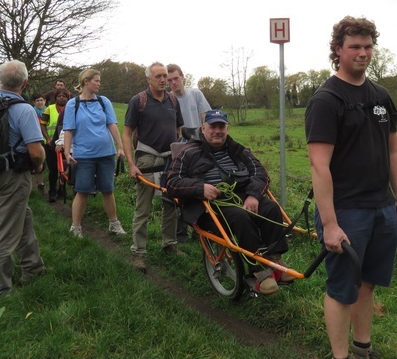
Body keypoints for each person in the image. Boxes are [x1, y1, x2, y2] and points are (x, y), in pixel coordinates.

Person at [304, 16, 397, 359]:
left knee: (367, 283)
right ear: (337, 51)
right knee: (342, 289)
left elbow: (393, 150)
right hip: (346, 211)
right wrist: (331, 223)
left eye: (368, 46)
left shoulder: (381, 95)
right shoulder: (326, 100)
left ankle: (362, 349)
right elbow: (318, 165)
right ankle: (340, 356)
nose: (363, 53)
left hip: (381, 207)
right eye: (354, 47)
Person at [166, 109, 292, 295]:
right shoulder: (188, 152)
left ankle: (274, 259)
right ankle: (259, 271)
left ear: (227, 128)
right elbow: (172, 183)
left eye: (221, 126)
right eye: (213, 126)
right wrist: (201, 188)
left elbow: (260, 172)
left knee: (271, 207)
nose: (217, 131)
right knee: (240, 216)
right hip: (208, 208)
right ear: (203, 128)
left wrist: (253, 195)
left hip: (241, 196)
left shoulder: (238, 150)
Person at [0, 60, 46, 298]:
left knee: (22, 216)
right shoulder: (24, 109)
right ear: (25, 82)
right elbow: (36, 151)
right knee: (7, 231)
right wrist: (37, 167)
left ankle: (33, 267)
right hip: (13, 175)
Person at [122, 62, 183, 272]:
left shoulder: (173, 100)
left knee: (170, 203)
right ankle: (138, 252)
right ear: (148, 79)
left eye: (165, 75)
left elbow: (179, 128)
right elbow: (127, 133)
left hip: (170, 159)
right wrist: (131, 164)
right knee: (143, 207)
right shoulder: (139, 101)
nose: (163, 80)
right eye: (158, 76)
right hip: (146, 158)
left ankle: (169, 244)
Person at [62, 69, 126, 238]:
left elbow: (112, 125)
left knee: (107, 189)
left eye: (99, 81)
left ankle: (114, 224)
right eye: (96, 81)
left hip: (106, 153)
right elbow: (68, 129)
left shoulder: (104, 102)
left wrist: (120, 147)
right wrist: (67, 152)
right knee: (82, 191)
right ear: (85, 81)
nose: (99, 83)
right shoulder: (72, 104)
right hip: (83, 155)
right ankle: (75, 228)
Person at [166, 63, 211, 242]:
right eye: (169, 80)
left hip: (198, 147)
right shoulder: (168, 99)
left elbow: (205, 118)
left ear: (183, 76)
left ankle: (199, 230)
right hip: (179, 149)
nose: (173, 83)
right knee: (182, 187)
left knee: (200, 186)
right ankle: (181, 232)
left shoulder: (195, 94)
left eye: (176, 78)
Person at [40, 88, 69, 202]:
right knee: (53, 170)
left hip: (65, 145)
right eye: (59, 96)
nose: (61, 98)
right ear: (55, 98)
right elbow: (43, 125)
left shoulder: (70, 109)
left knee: (65, 169)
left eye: (64, 96)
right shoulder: (49, 109)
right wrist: (48, 138)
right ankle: (52, 191)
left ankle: (62, 190)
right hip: (51, 144)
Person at [31, 93, 47, 194]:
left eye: (41, 100)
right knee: (39, 162)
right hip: (37, 140)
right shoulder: (31, 111)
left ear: (45, 101)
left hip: (49, 141)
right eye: (37, 100)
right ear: (34, 102)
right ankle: (40, 183)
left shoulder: (49, 110)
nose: (40, 102)